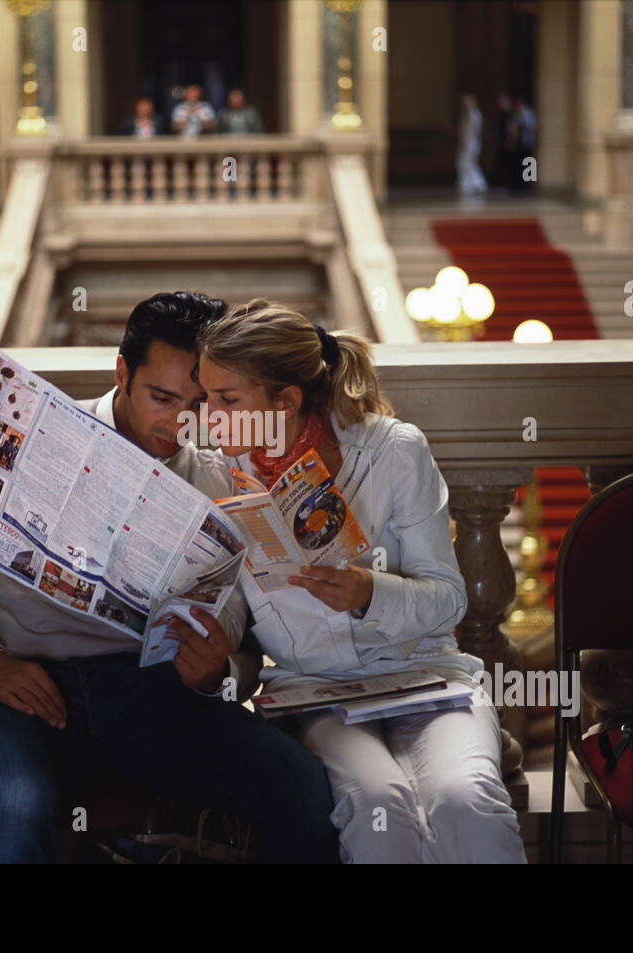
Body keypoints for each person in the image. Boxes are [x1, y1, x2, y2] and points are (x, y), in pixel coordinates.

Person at [0, 292, 339, 864]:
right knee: (14, 818)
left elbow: (245, 631)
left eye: (200, 403)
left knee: (302, 789)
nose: (180, 422)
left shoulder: (221, 483)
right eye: (162, 397)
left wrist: (217, 673)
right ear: (122, 374)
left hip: (150, 693)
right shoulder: (29, 439)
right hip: (17, 690)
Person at [195, 299, 527, 864]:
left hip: (425, 676)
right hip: (314, 691)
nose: (208, 417)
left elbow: (449, 600)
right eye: (206, 398)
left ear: (288, 399)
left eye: (227, 400)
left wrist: (372, 593)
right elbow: (226, 612)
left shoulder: (394, 450)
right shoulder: (217, 476)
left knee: (463, 799)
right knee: (378, 804)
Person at [456, 94, 488, 198]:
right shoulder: (466, 115)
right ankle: (473, 185)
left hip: (471, 144)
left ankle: (476, 185)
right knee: (465, 164)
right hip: (467, 143)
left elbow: (469, 132)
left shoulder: (474, 115)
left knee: (468, 164)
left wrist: (465, 143)